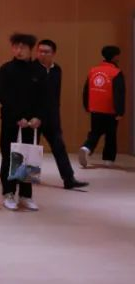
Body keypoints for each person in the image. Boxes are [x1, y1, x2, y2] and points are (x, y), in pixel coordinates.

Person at [0, 33, 47, 211]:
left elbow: (44, 98)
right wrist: (18, 117)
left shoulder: (39, 71)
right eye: (16, 47)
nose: (19, 50)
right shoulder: (6, 69)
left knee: (29, 158)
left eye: (23, 47)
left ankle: (26, 195)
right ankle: (8, 193)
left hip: (32, 125)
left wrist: (38, 117)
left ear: (30, 49)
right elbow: (3, 96)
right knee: (10, 158)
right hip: (12, 122)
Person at [35, 40, 87, 189]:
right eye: (40, 51)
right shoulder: (32, 68)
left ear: (53, 54)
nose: (42, 54)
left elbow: (56, 94)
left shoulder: (57, 70)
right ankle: (26, 179)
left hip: (52, 117)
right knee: (31, 148)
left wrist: (55, 114)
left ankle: (69, 179)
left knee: (59, 147)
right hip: (34, 117)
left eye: (46, 52)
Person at [79, 45, 126, 169]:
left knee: (95, 132)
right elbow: (119, 93)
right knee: (111, 134)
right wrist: (120, 111)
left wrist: (86, 105)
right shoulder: (116, 72)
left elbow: (86, 90)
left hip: (95, 108)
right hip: (110, 109)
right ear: (115, 57)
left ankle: (86, 148)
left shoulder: (93, 70)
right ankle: (108, 160)